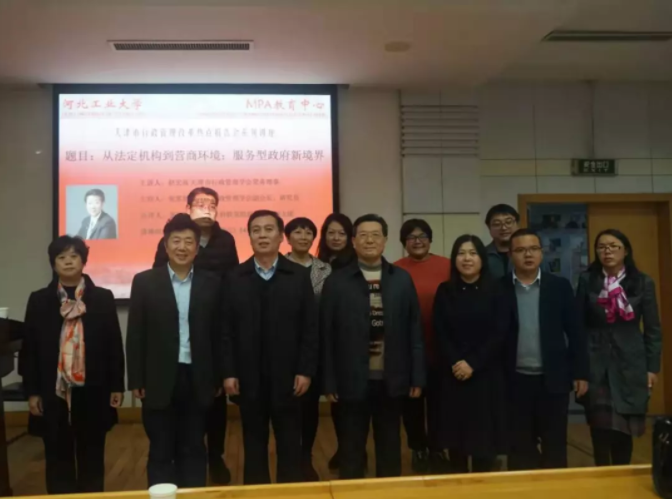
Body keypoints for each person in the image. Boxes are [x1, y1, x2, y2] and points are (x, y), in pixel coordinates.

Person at [322, 214, 426, 480]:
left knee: (390, 448)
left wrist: (417, 376)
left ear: (385, 240)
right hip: (350, 380)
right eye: (363, 235)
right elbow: (327, 335)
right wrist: (329, 380)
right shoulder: (336, 282)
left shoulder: (401, 279)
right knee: (351, 450)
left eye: (376, 235)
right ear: (354, 241)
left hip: (392, 379)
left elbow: (414, 330)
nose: (370, 240)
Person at [21, 236, 124, 494]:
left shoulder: (102, 298)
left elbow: (113, 344)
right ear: (53, 263)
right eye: (61, 257)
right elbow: (30, 349)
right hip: (52, 390)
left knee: (92, 455)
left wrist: (116, 386)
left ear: (83, 261)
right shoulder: (39, 300)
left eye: (74, 256)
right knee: (57, 456)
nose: (68, 261)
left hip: (94, 388)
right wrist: (32, 391)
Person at [222, 210, 318, 484]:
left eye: (268, 229)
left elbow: (310, 327)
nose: (262, 235)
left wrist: (305, 370)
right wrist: (229, 372)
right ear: (250, 237)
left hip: (289, 377)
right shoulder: (235, 277)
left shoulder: (298, 275)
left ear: (280, 237)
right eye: (256, 230)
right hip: (248, 377)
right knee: (253, 444)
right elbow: (225, 329)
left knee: (290, 444)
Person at [127, 214, 222, 488]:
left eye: (189, 241)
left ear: (197, 248)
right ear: (166, 246)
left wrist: (218, 376)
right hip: (157, 378)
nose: (182, 247)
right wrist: (136, 378)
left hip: (198, 376)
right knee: (160, 449)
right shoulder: (144, 282)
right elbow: (136, 334)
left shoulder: (213, 282)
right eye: (176, 241)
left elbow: (219, 333)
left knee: (193, 447)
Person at [152, 186, 238, 485]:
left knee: (214, 404)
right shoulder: (173, 238)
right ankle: (181, 460)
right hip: (179, 328)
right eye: (200, 203)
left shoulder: (226, 240)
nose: (206, 208)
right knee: (179, 413)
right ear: (188, 207)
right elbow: (158, 278)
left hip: (213, 326)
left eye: (211, 203)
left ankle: (215, 456)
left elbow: (234, 279)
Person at [499, 228, 589, 470]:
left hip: (553, 380)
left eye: (533, 249)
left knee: (555, 446)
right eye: (520, 250)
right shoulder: (499, 289)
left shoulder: (559, 287)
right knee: (519, 447)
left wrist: (580, 372)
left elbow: (576, 332)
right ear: (510, 255)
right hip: (514, 381)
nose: (527, 254)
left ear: (541, 252)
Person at [576, 229, 661, 466]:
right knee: (599, 427)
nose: (607, 251)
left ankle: (622, 475)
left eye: (614, 246)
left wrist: (652, 368)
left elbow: (653, 329)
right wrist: (579, 369)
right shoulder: (587, 280)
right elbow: (578, 326)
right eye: (602, 247)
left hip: (631, 363)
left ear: (625, 251)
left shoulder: (642, 282)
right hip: (596, 362)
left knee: (625, 428)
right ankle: (602, 476)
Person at [433, 235, 506, 473]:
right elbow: (440, 331)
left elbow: (500, 332)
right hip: (454, 375)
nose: (467, 258)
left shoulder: (497, 290)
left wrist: (473, 363)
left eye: (473, 253)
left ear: (482, 259)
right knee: (456, 446)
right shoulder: (445, 291)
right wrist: (457, 362)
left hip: (485, 375)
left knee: (484, 445)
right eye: (461, 253)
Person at [394, 219, 451, 473]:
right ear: (403, 242)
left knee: (441, 404)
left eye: (422, 236)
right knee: (412, 405)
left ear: (430, 239)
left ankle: (438, 448)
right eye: (411, 237)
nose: (417, 241)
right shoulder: (395, 270)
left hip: (442, 348)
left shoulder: (447, 266)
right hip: (407, 351)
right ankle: (418, 448)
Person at [285, 217, 332, 481]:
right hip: (285, 347)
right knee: (288, 407)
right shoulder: (278, 267)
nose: (303, 237)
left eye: (308, 233)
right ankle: (291, 457)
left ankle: (306, 456)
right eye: (297, 232)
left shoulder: (326, 270)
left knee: (310, 406)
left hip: (316, 345)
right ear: (287, 237)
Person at [316, 212, 357, 470]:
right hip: (321, 338)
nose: (336, 237)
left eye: (342, 233)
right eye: (331, 232)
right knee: (334, 400)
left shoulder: (354, 265)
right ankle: (344, 448)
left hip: (346, 340)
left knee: (347, 402)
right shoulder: (317, 264)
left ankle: (351, 451)